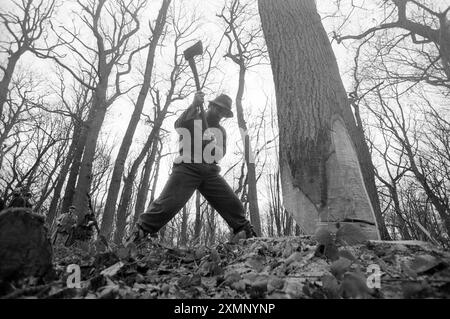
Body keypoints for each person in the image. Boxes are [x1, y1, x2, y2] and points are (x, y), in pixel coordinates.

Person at [129, 92, 257, 244]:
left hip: (210, 172)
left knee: (233, 204)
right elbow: (179, 124)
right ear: (210, 105)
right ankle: (140, 233)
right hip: (187, 167)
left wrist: (211, 144)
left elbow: (219, 154)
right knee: (167, 204)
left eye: (223, 112)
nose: (219, 114)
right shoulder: (194, 117)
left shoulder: (220, 131)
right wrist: (194, 104)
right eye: (218, 109)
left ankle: (246, 234)